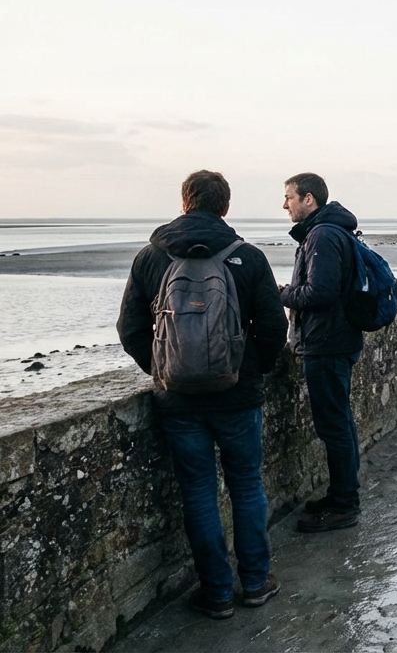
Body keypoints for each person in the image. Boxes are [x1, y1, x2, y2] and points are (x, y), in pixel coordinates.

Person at [117, 170, 289, 618]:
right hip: (237, 396)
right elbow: (273, 328)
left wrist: (161, 370)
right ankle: (254, 583)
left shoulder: (150, 258)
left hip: (177, 402)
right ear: (225, 207)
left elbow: (130, 328)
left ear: (184, 202)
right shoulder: (247, 258)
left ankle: (215, 593)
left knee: (197, 492)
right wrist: (252, 369)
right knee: (247, 486)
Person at [280, 172, 367, 533]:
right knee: (339, 423)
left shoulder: (323, 235)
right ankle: (340, 494)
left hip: (326, 343)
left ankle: (345, 504)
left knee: (334, 426)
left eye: (289, 197)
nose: (285, 205)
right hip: (332, 341)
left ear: (309, 199)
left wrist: (281, 293)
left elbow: (321, 293)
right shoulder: (330, 231)